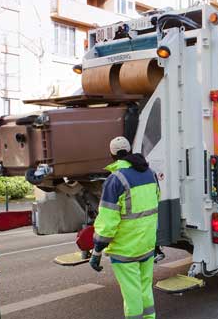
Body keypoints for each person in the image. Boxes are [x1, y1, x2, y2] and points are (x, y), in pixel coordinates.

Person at [90, 136, 160, 319]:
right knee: (145, 289)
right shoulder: (150, 173)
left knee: (132, 294)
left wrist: (97, 251)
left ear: (112, 155)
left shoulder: (116, 180)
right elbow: (154, 202)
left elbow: (107, 222)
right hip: (147, 243)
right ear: (129, 151)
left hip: (125, 249)